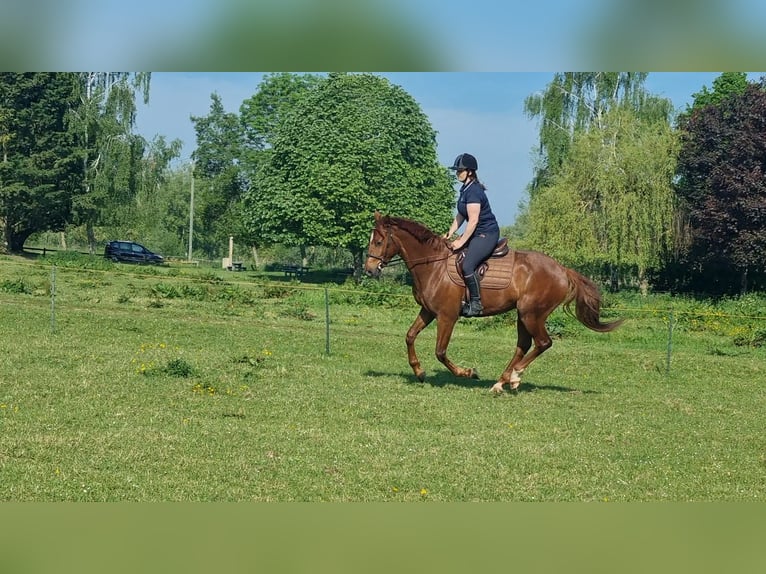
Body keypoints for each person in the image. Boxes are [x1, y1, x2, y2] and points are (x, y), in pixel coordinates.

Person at [444, 153, 500, 317]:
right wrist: (450, 232)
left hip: (486, 234)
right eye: (457, 171)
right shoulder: (465, 190)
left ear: (469, 172)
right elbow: (461, 215)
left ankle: (476, 304)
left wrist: (461, 241)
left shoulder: (474, 191)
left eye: (460, 170)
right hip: (476, 233)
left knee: (467, 265)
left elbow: (473, 220)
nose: (457, 173)